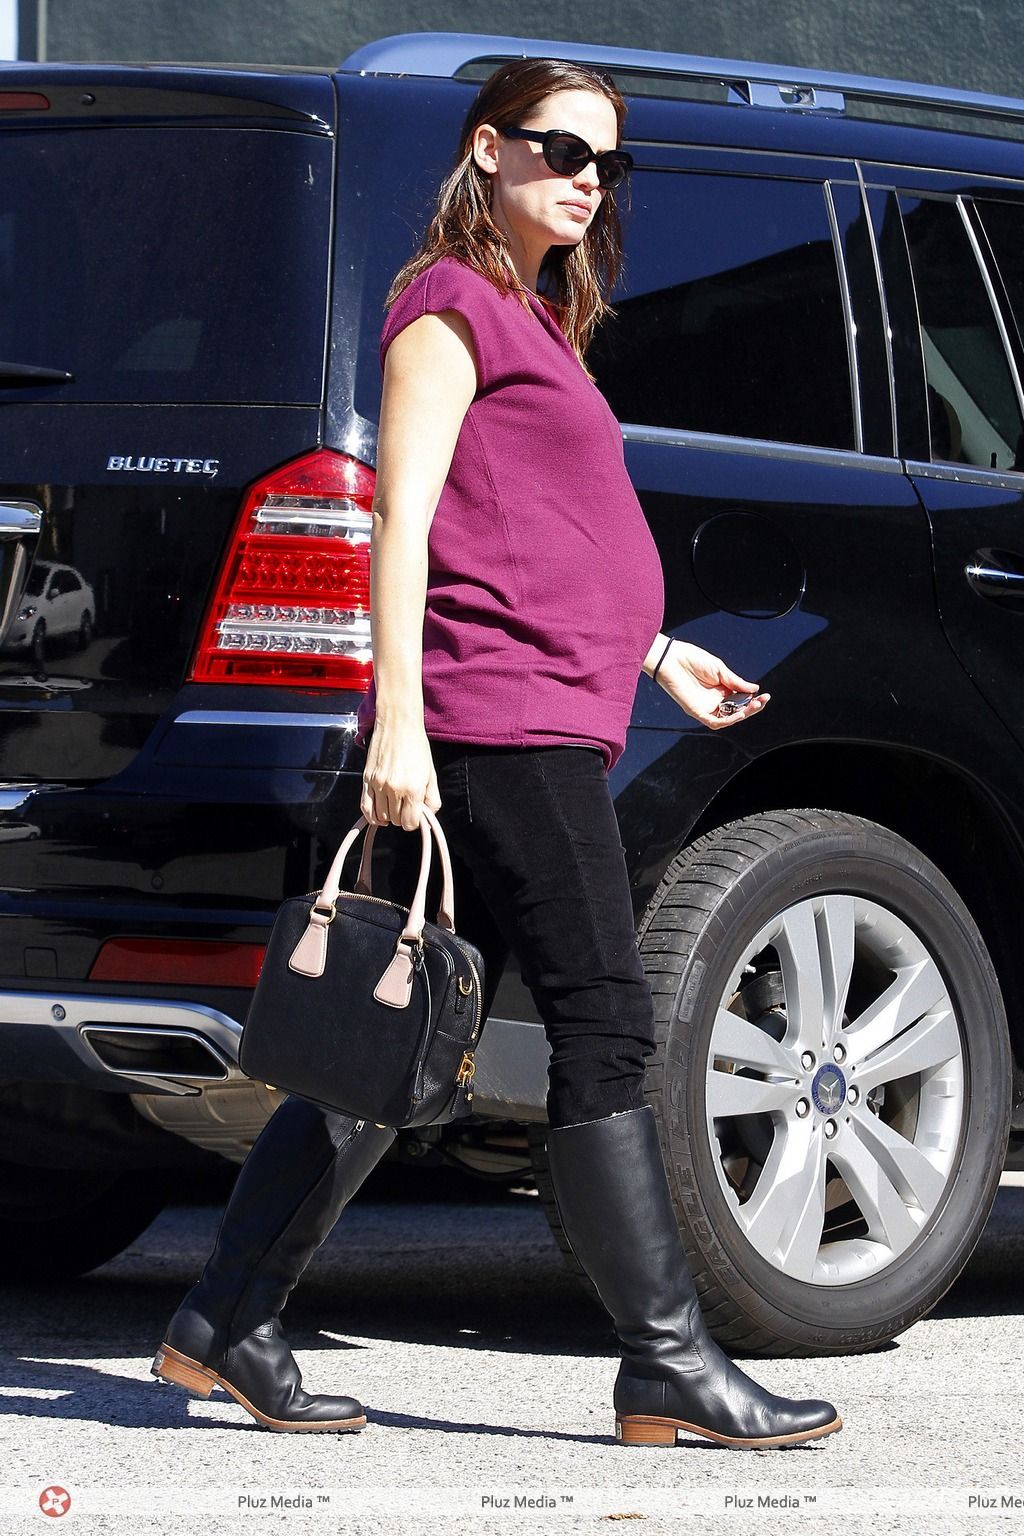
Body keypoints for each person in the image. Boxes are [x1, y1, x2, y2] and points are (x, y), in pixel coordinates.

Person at [152, 57, 842, 1449]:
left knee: (392, 1031)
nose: (587, 177)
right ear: (486, 152)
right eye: (557, 149)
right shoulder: (445, 310)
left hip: (539, 702)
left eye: (605, 162)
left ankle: (227, 1323)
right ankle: (666, 1363)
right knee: (603, 1020)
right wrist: (394, 725)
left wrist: (651, 653)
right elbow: (402, 529)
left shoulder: (539, 318)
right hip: (492, 723)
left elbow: (526, 535)